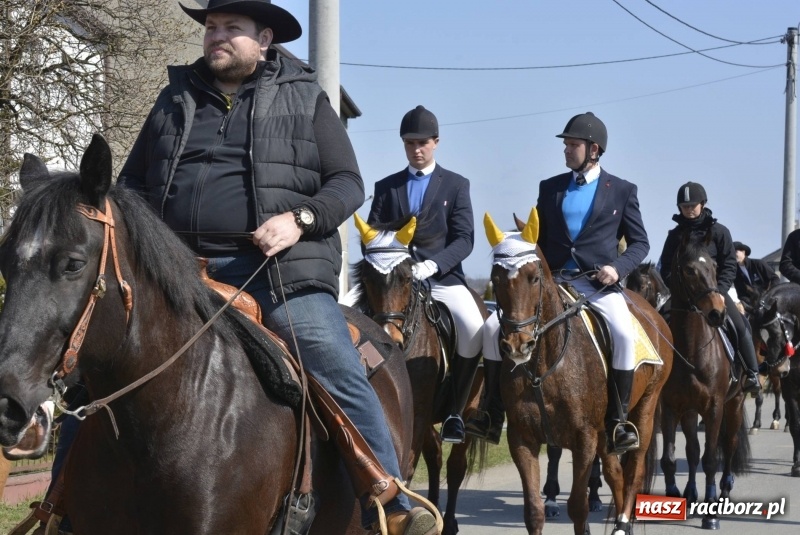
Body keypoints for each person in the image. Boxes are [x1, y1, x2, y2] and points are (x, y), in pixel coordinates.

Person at [114, 2, 437, 534]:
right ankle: (63, 504)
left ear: (264, 39)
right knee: (99, 363)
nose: (217, 36)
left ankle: (388, 498)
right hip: (176, 271)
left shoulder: (305, 96)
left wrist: (300, 219)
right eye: (211, 27)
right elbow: (130, 188)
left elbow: (347, 183)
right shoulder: (173, 97)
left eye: (231, 28)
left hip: (278, 271)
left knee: (331, 359)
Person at [471, 112, 647, 455]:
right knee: (492, 328)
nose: (566, 150)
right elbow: (537, 238)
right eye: (566, 144)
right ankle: (491, 412)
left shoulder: (622, 191)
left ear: (593, 149)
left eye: (573, 145)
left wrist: (617, 268)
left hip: (597, 285)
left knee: (625, 335)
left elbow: (640, 243)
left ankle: (619, 422)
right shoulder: (550, 187)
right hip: (555, 283)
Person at [367, 105, 483, 444]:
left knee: (474, 329)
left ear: (436, 142)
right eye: (410, 143)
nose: (416, 149)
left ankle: (455, 412)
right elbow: (371, 237)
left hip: (441, 280)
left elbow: (465, 238)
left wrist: (434, 265)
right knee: (350, 322)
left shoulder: (456, 185)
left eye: (422, 143)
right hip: (395, 284)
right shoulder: (386, 187)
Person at [659, 182, 761, 394]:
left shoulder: (719, 232)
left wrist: (720, 291)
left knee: (740, 324)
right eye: (684, 206)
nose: (689, 209)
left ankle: (752, 373)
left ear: (703, 204)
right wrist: (678, 291)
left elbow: (729, 265)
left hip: (714, 292)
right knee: (656, 322)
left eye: (693, 205)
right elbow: (666, 268)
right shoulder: (675, 236)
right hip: (683, 296)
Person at [733, 241, 778, 309]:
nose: (733, 254)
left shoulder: (758, 264)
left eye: (736, 252)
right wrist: (752, 303)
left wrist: (769, 295)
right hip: (753, 307)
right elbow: (741, 294)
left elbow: (775, 278)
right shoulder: (735, 272)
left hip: (769, 301)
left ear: (743, 252)